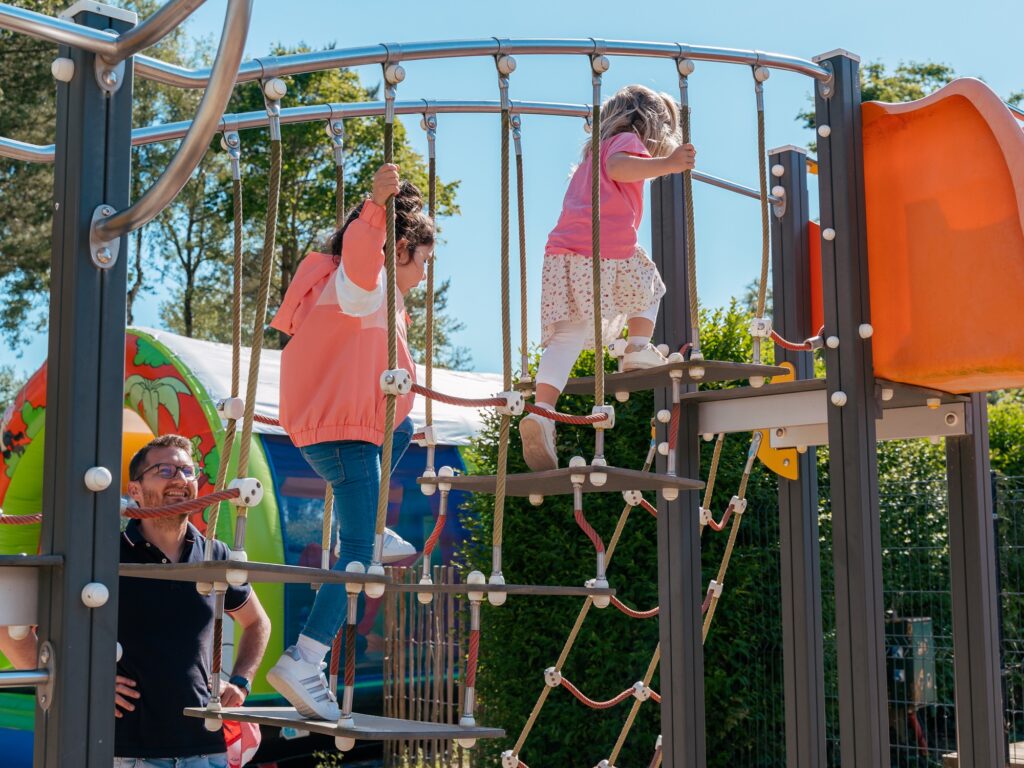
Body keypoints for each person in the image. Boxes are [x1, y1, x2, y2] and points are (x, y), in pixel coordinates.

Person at [266, 163, 434, 720]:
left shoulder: (377, 296)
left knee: (405, 428)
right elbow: (364, 262)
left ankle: (369, 532)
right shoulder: (363, 282)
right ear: (402, 247)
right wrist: (376, 209)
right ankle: (305, 658)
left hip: (354, 431)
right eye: (425, 261)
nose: (425, 275)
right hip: (344, 435)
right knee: (359, 564)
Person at [0, 434, 272, 767]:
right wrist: (78, 683)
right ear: (135, 491)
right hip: (126, 754)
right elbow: (10, 633)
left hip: (206, 750)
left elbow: (257, 622)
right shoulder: (100, 558)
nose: (181, 479)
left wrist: (242, 683)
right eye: (165, 470)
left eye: (188, 471)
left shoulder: (215, 554)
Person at [519, 84, 697, 471]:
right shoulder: (625, 141)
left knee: (567, 336)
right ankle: (636, 347)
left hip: (564, 253)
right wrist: (667, 165)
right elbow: (622, 168)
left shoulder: (591, 156)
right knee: (648, 283)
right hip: (603, 248)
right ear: (647, 124)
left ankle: (543, 411)